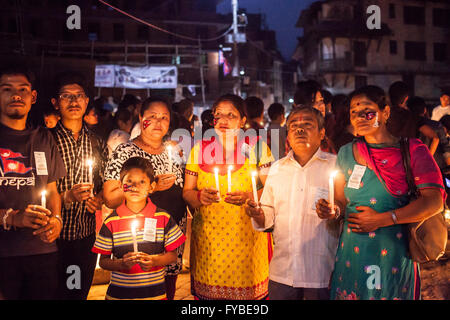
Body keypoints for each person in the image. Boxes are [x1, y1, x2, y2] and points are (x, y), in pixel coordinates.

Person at [316, 85, 445, 300]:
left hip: (393, 252)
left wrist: (383, 219)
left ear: (385, 113)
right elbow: (339, 200)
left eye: (367, 111)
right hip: (352, 252)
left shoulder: (413, 150)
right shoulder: (347, 152)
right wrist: (332, 210)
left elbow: (434, 202)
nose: (360, 117)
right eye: (354, 113)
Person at [183, 94, 274, 300]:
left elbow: (272, 189)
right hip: (209, 241)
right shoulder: (198, 150)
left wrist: (249, 196)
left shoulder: (258, 148)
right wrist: (199, 196)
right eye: (218, 115)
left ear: (243, 120)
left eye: (231, 115)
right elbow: (187, 193)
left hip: (247, 238)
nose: (223, 120)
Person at [245, 106, 339, 300]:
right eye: (294, 126)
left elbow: (343, 209)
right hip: (282, 271)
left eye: (307, 125)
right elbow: (268, 213)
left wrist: (334, 211)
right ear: (287, 135)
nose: (299, 130)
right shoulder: (278, 169)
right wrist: (258, 213)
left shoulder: (335, 166)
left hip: (321, 271)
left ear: (322, 133)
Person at [103, 96, 187, 300]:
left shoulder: (174, 151)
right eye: (152, 116)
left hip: (171, 237)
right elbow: (110, 198)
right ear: (141, 118)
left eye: (164, 117)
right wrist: (150, 186)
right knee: (139, 291)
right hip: (138, 241)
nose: (159, 123)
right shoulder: (125, 151)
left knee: (166, 291)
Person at [0, 66, 66, 299]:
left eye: (23, 89)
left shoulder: (44, 137)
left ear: (33, 97)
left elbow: (52, 188)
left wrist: (56, 220)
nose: (16, 95)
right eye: (7, 89)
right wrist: (14, 218)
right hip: (4, 254)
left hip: (42, 251)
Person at [93, 157, 185, 300]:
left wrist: (154, 261)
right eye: (129, 181)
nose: (134, 186)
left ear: (152, 187)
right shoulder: (111, 221)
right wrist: (121, 263)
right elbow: (103, 261)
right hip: (119, 296)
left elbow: (172, 255)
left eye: (142, 182)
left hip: (154, 296)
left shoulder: (163, 218)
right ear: (120, 185)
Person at [50, 73, 109, 300]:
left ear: (86, 102)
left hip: (84, 237)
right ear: (56, 103)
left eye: (79, 96)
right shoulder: (46, 140)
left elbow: (106, 183)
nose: (73, 102)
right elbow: (35, 189)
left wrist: (99, 198)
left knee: (76, 291)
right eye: (66, 96)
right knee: (54, 292)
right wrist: (66, 197)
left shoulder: (97, 142)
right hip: (53, 238)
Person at [407, 96, 450, 170]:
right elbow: (445, 149)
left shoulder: (406, 126)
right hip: (436, 167)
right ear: (424, 110)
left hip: (413, 168)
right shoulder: (436, 125)